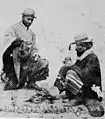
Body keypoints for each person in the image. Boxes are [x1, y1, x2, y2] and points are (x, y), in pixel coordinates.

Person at [54, 33, 104, 117]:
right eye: (77, 45)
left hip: (90, 90)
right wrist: (68, 65)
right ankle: (59, 90)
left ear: (88, 46)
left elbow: (85, 75)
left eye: (82, 45)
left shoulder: (92, 57)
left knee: (71, 72)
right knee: (65, 68)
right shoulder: (82, 57)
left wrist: (72, 66)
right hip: (83, 87)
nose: (78, 47)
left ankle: (78, 98)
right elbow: (76, 69)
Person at [1, 8, 49, 91]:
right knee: (12, 86)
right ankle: (8, 77)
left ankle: (31, 82)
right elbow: (7, 41)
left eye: (32, 20)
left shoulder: (32, 34)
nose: (30, 22)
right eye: (28, 19)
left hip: (27, 59)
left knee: (43, 63)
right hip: (14, 58)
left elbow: (34, 48)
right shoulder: (14, 28)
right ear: (23, 17)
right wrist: (18, 41)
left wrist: (35, 54)